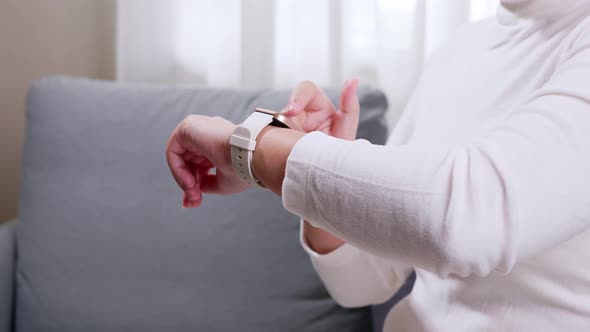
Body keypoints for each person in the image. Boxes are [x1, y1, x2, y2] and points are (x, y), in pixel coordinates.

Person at [165, 1, 590, 330]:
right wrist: (318, 159)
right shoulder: (464, 48)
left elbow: (470, 217)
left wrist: (256, 147)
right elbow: (363, 281)